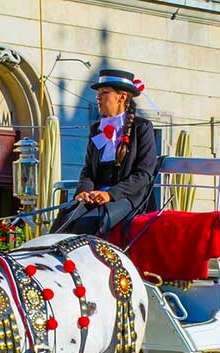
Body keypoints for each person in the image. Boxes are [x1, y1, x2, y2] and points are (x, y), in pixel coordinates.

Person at [51, 69, 157, 235]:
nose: (98, 97)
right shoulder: (97, 128)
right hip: (96, 194)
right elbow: (88, 170)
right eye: (98, 94)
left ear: (122, 97)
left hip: (127, 197)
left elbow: (144, 174)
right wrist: (83, 192)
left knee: (87, 223)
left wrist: (110, 194)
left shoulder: (142, 127)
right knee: (66, 217)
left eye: (104, 93)